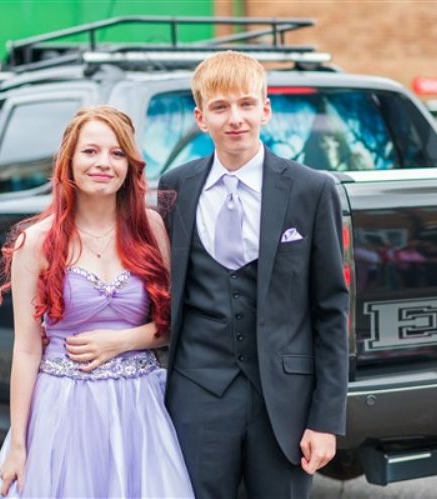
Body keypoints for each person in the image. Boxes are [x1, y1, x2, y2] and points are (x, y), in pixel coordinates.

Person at [157, 51, 349, 499]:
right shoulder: (176, 187)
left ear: (265, 109)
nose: (235, 118)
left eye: (246, 104)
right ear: (201, 118)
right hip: (197, 392)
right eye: (220, 107)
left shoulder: (312, 189)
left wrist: (325, 419)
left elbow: (330, 310)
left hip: (285, 399)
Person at [0, 106, 194, 498]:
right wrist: (18, 446)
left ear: (129, 165)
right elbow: (26, 350)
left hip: (138, 408)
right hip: (62, 408)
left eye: (117, 153)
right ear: (69, 160)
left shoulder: (150, 228)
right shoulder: (37, 241)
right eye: (90, 151)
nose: (104, 163)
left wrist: (122, 341)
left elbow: (174, 324)